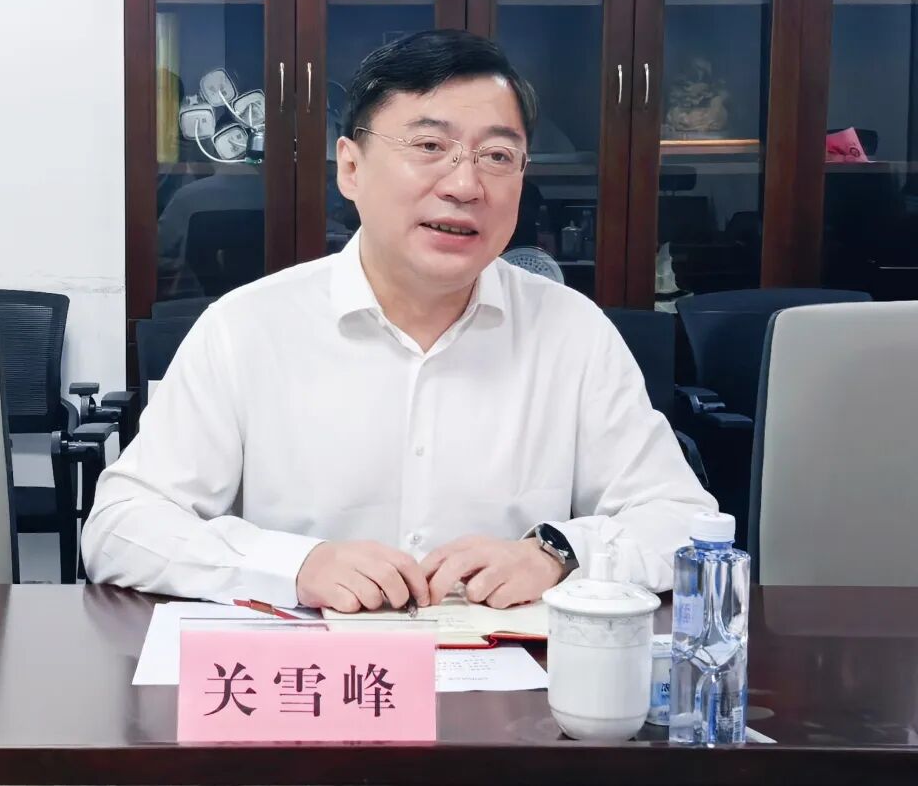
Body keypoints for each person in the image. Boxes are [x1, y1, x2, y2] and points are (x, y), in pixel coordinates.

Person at [82, 30, 717, 612]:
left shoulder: (572, 331)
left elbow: (684, 522)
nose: (465, 185)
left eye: (498, 156)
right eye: (430, 147)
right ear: (350, 167)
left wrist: (556, 553)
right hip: (316, 683)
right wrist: (294, 565)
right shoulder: (246, 328)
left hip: (514, 688)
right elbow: (121, 526)